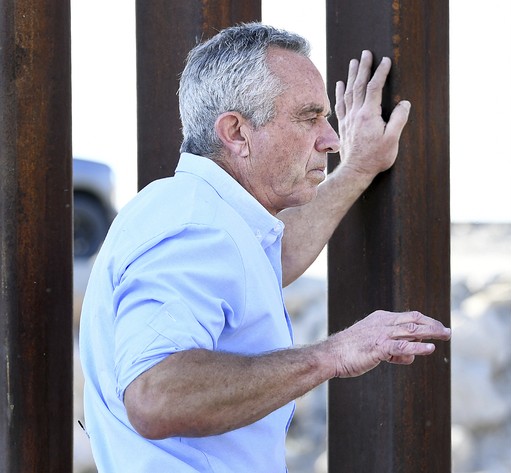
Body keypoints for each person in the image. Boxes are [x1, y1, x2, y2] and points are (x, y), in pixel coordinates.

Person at [79, 22, 451, 472]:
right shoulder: (194, 225)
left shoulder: (202, 214)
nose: (331, 138)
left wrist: (357, 168)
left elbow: (274, 257)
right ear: (236, 132)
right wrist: (331, 355)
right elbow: (155, 396)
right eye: (308, 117)